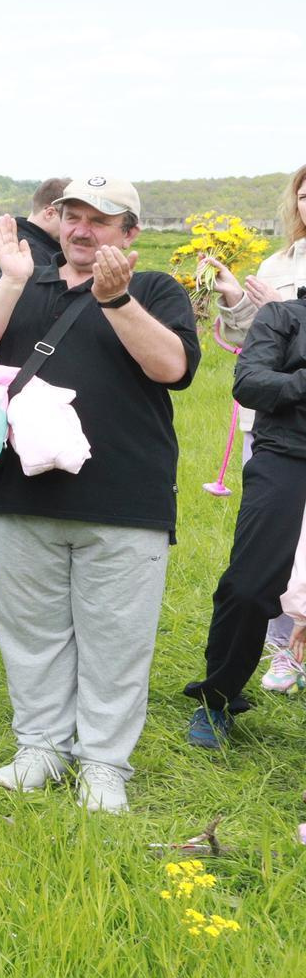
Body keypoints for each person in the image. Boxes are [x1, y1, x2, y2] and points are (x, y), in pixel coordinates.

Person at [0, 177, 198, 814]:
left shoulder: (155, 290)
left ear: (129, 233)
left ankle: (104, 763)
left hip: (124, 497)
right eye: (71, 216)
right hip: (21, 491)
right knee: (30, 631)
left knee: (117, 637)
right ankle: (41, 746)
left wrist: (118, 302)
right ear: (56, 220)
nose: (83, 230)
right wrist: (7, 281)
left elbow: (172, 368)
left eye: (101, 220)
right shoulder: (23, 281)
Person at [197, 162, 306, 688]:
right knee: (272, 560)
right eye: (304, 195)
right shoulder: (279, 262)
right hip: (282, 434)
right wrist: (239, 298)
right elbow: (254, 344)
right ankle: (277, 650)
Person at [185, 287, 306, 747]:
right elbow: (249, 382)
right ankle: (217, 699)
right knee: (251, 585)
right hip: (287, 456)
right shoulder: (284, 316)